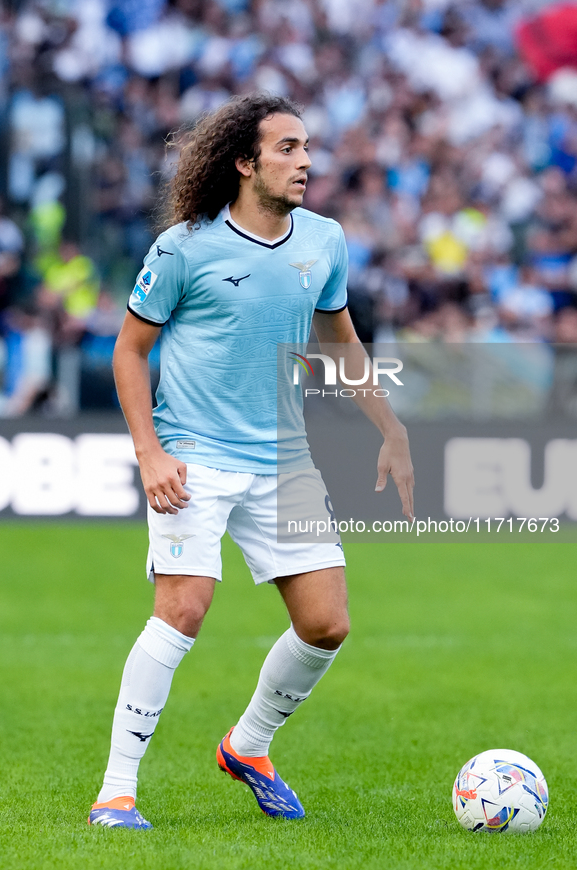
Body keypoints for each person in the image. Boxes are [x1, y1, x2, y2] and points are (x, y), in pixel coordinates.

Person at [88, 93, 414, 829]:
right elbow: (130, 351)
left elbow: (342, 342)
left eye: (306, 148)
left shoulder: (323, 240)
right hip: (193, 453)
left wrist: (388, 426)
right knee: (183, 607)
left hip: (283, 458)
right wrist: (150, 452)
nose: (306, 162)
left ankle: (248, 745)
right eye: (289, 148)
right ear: (244, 161)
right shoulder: (183, 247)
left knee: (327, 624)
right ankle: (116, 789)